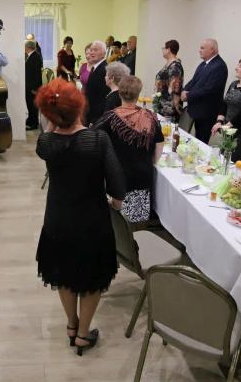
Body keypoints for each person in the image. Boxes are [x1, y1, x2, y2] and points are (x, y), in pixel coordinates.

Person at [34, 79, 125, 355]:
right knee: (92, 277)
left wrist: (55, 120)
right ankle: (84, 334)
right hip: (92, 221)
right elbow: (117, 186)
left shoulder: (46, 143)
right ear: (79, 107)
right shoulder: (97, 140)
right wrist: (116, 203)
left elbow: (49, 135)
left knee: (64, 273)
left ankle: (71, 325)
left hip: (58, 219)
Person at [92, 76, 163, 223]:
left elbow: (92, 138)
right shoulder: (151, 117)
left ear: (119, 93)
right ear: (138, 94)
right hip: (142, 179)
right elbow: (159, 147)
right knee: (135, 224)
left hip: (117, 181)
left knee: (116, 222)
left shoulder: (110, 117)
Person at [181, 38, 228, 143]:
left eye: (202, 48)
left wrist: (188, 95)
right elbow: (193, 81)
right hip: (197, 111)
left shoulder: (219, 66)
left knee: (201, 142)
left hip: (207, 113)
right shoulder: (203, 64)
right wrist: (184, 90)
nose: (199, 50)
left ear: (212, 50)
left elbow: (209, 89)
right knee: (195, 140)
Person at [154, 39, 185, 122]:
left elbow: (176, 89)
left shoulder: (175, 66)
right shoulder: (169, 64)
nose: (162, 50)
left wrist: (174, 108)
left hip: (168, 109)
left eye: (164, 48)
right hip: (162, 105)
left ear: (168, 50)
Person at [83, 41, 110, 125]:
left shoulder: (105, 69)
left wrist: (94, 120)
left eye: (95, 50)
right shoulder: (95, 67)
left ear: (104, 53)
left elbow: (102, 98)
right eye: (91, 50)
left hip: (96, 117)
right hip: (91, 113)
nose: (92, 53)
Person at [25, 39, 44, 130]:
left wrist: (35, 88)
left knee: (33, 106)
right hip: (29, 85)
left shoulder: (35, 57)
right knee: (29, 104)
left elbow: (37, 74)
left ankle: (34, 123)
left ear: (28, 47)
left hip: (33, 87)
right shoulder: (31, 56)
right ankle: (30, 120)